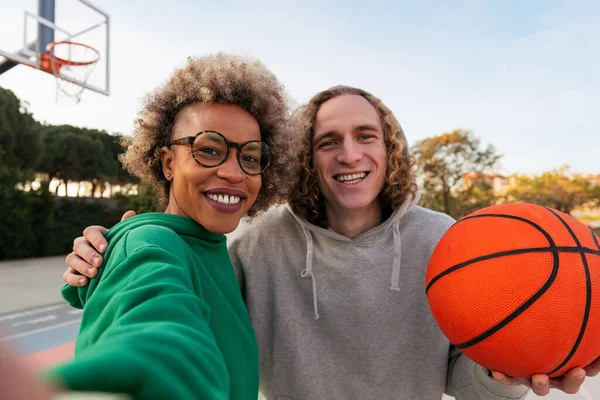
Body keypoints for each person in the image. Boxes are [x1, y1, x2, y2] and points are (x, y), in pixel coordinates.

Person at [64, 86, 600, 399]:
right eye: (328, 142)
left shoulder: (447, 242)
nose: (349, 154)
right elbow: (180, 304)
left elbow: (465, 382)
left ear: (388, 150)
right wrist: (108, 257)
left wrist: (507, 366)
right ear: (307, 158)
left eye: (366, 136)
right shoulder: (257, 242)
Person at [23, 52, 293, 399]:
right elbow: (158, 338)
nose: (234, 172)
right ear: (168, 162)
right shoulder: (152, 244)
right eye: (209, 150)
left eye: (251, 157)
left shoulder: (211, 247)